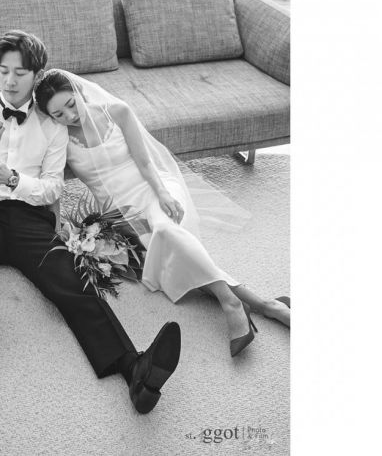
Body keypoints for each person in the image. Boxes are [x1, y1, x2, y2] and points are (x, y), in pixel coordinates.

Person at [0, 30, 181, 414]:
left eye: (20, 73)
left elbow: (52, 188)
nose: (10, 81)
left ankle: (133, 369)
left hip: (29, 219)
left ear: (37, 75)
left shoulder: (52, 124)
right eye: (3, 71)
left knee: (72, 282)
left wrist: (14, 180)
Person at [34, 69, 291, 357]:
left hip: (155, 189)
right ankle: (267, 305)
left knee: (166, 231)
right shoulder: (59, 139)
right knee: (174, 258)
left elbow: (146, 163)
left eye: (71, 104)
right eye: (58, 114)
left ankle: (230, 302)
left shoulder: (116, 111)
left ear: (80, 92)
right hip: (121, 214)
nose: (70, 116)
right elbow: (53, 185)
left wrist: (163, 194)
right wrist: (55, 226)